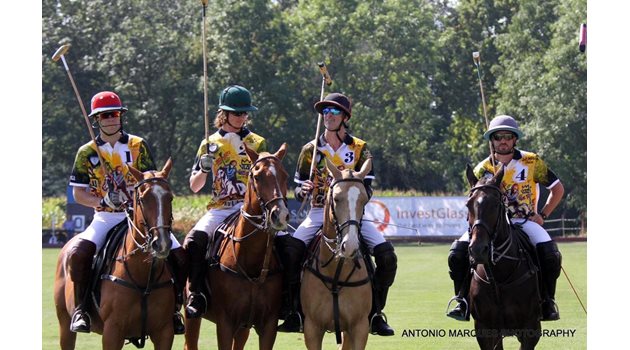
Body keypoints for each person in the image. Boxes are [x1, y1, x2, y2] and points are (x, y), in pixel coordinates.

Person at [276, 92, 398, 336]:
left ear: (345, 117)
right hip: (319, 212)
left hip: (352, 215)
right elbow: (298, 191)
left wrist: (353, 189)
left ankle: (375, 313)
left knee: (387, 257)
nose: (328, 116)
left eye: (333, 112)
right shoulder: (310, 150)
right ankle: (294, 310)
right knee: (290, 252)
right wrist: (303, 189)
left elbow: (368, 189)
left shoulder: (360, 148)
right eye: (325, 112)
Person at [66, 91, 187, 334]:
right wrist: (103, 198)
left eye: (116, 114)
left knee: (179, 255)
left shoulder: (138, 145)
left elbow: (152, 181)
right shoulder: (86, 152)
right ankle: (80, 309)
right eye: (105, 115)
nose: (111, 119)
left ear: (121, 117)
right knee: (79, 253)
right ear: (96, 120)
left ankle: (174, 308)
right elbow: (79, 194)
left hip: (139, 217)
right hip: (106, 217)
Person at [446, 115, 564, 321]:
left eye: (508, 137)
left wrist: (543, 214)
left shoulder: (531, 161)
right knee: (457, 253)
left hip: (523, 221)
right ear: (492, 140)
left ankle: (547, 301)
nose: (503, 141)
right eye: (498, 136)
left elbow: (557, 189)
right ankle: (462, 301)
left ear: (515, 139)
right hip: (490, 225)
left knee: (550, 254)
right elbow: (475, 201)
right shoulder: (483, 168)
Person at [183, 85, 267, 318]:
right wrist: (203, 168)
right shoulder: (209, 144)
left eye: (244, 113)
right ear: (224, 114)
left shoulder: (257, 142)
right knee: (194, 241)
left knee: (286, 243)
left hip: (250, 209)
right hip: (221, 208)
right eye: (237, 113)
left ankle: (287, 299)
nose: (242, 117)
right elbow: (195, 185)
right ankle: (196, 294)